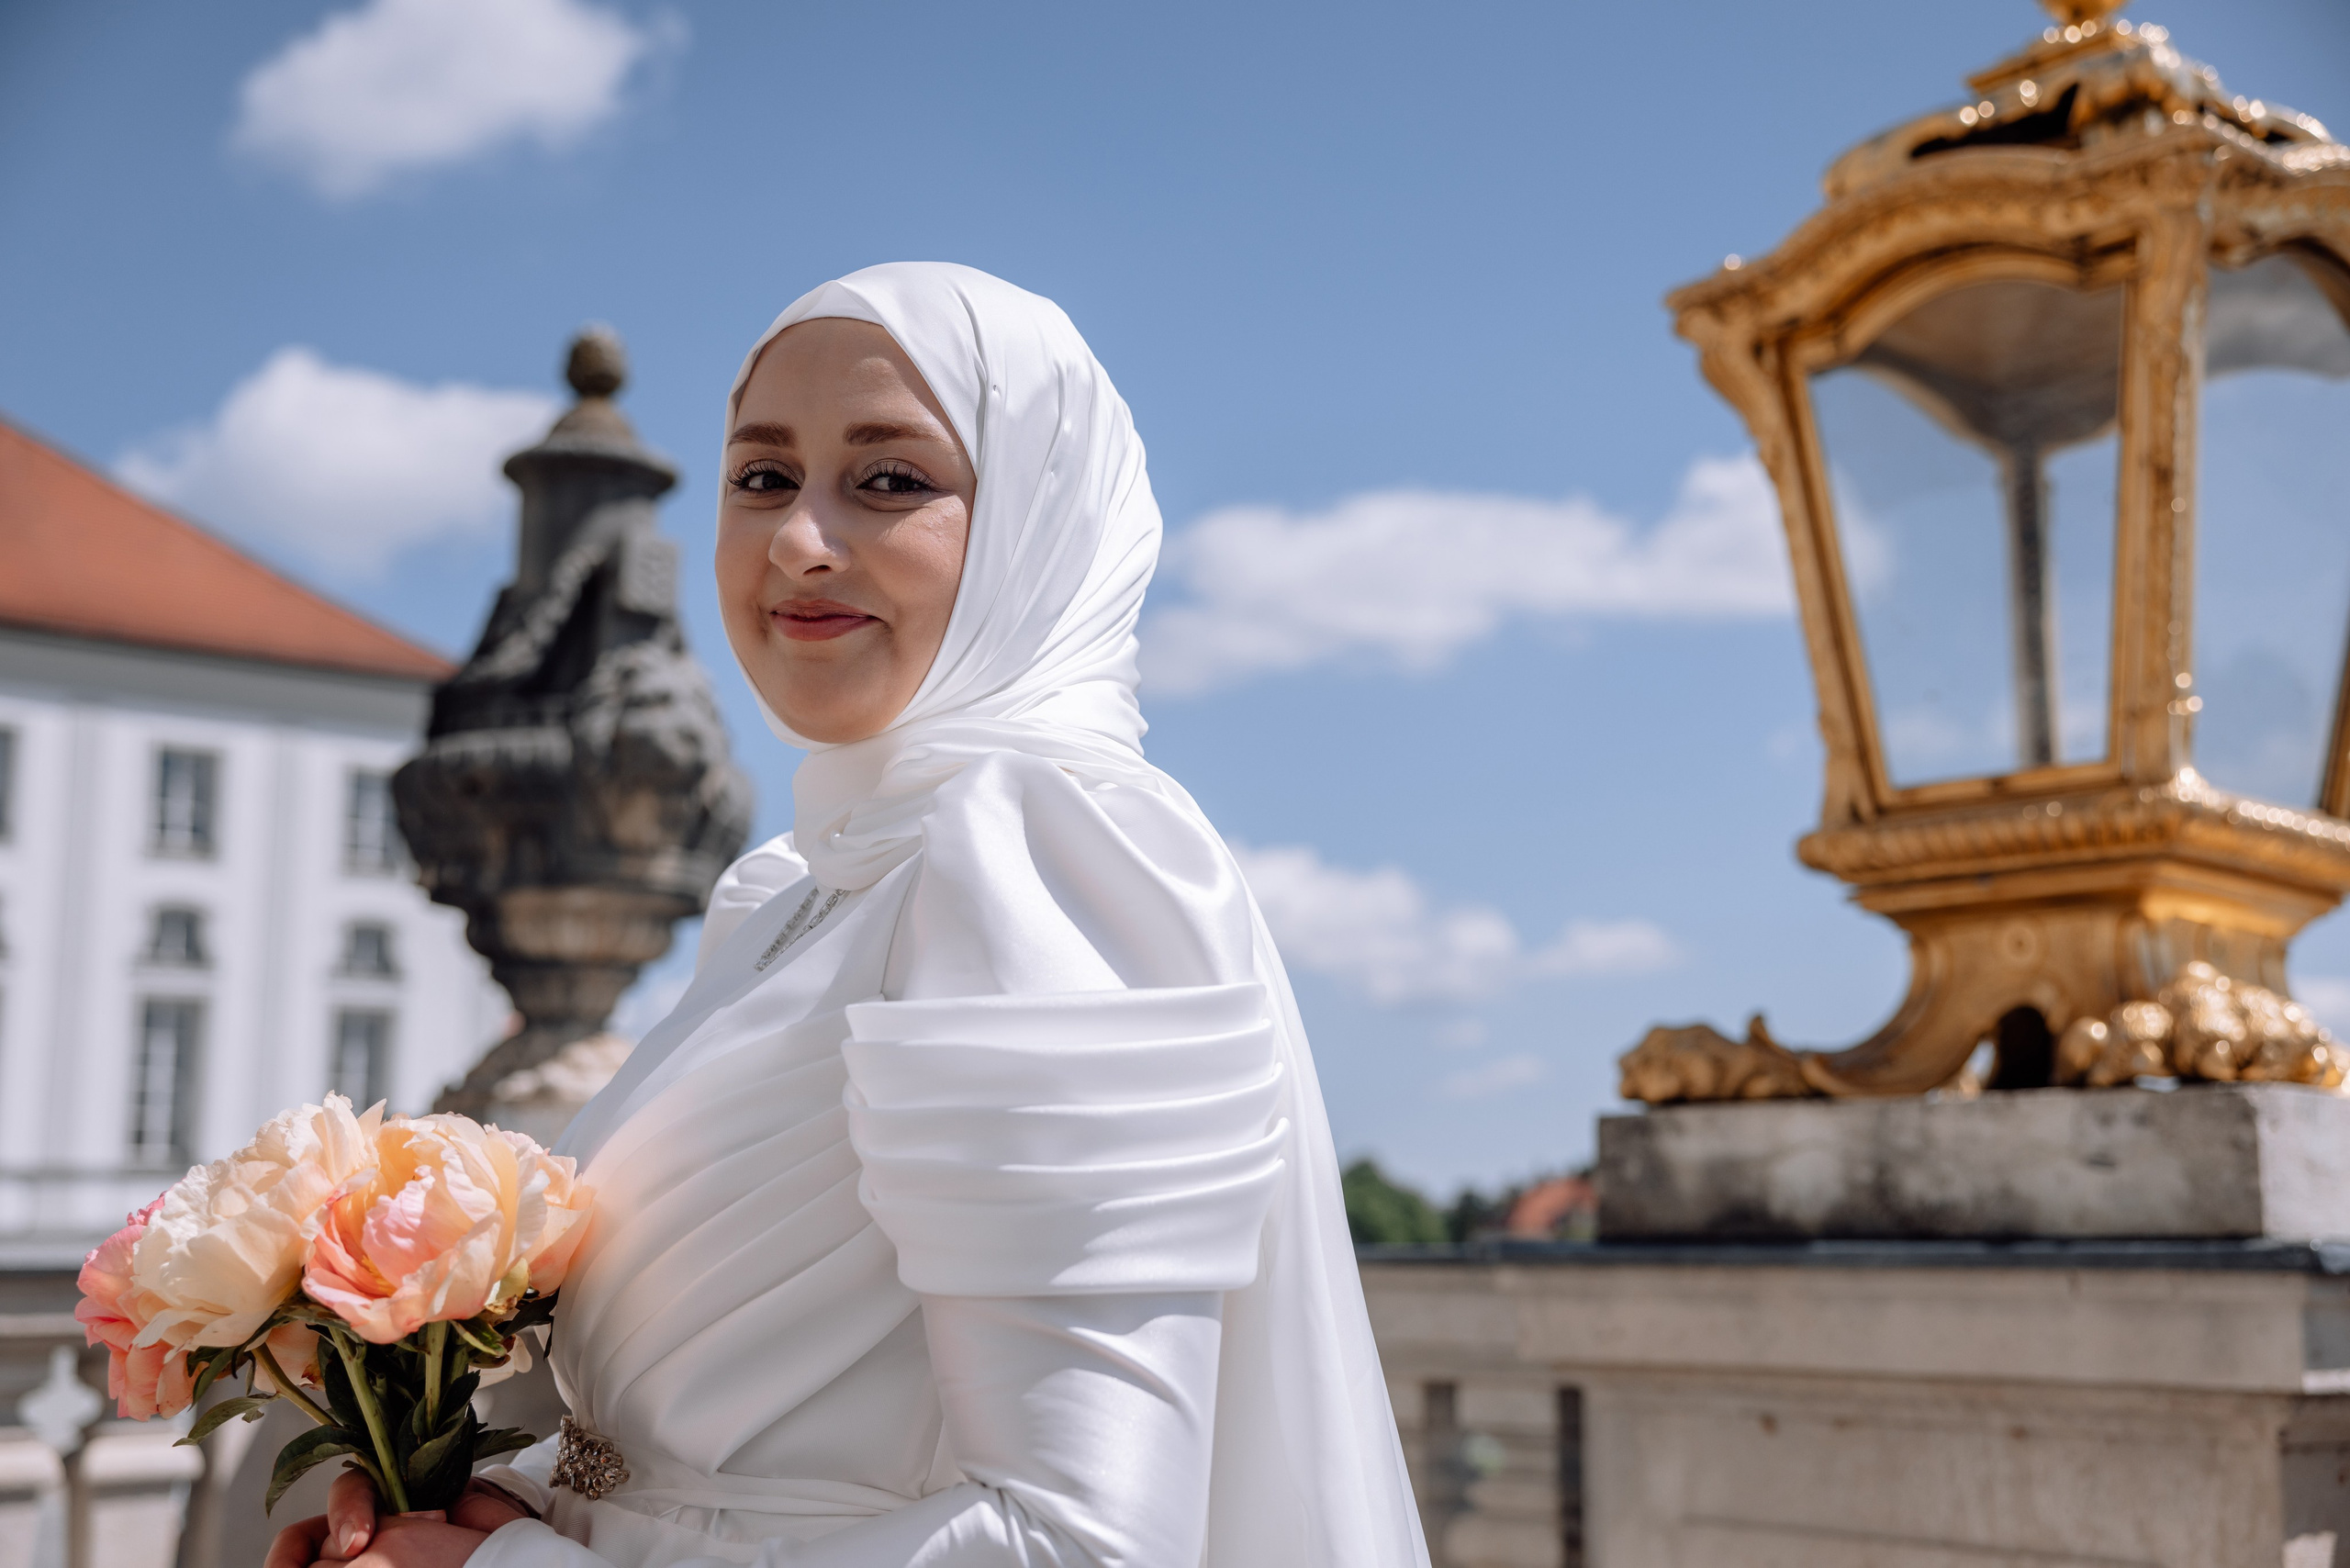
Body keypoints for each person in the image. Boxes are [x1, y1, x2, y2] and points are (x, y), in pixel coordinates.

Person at [267, 263, 1429, 1568]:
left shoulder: (1040, 852)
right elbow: (705, 1458)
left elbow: (1081, 1544)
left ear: (1043, 526)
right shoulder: (792, 893)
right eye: (762, 478)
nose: (796, 542)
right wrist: (494, 1502)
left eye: (889, 482)